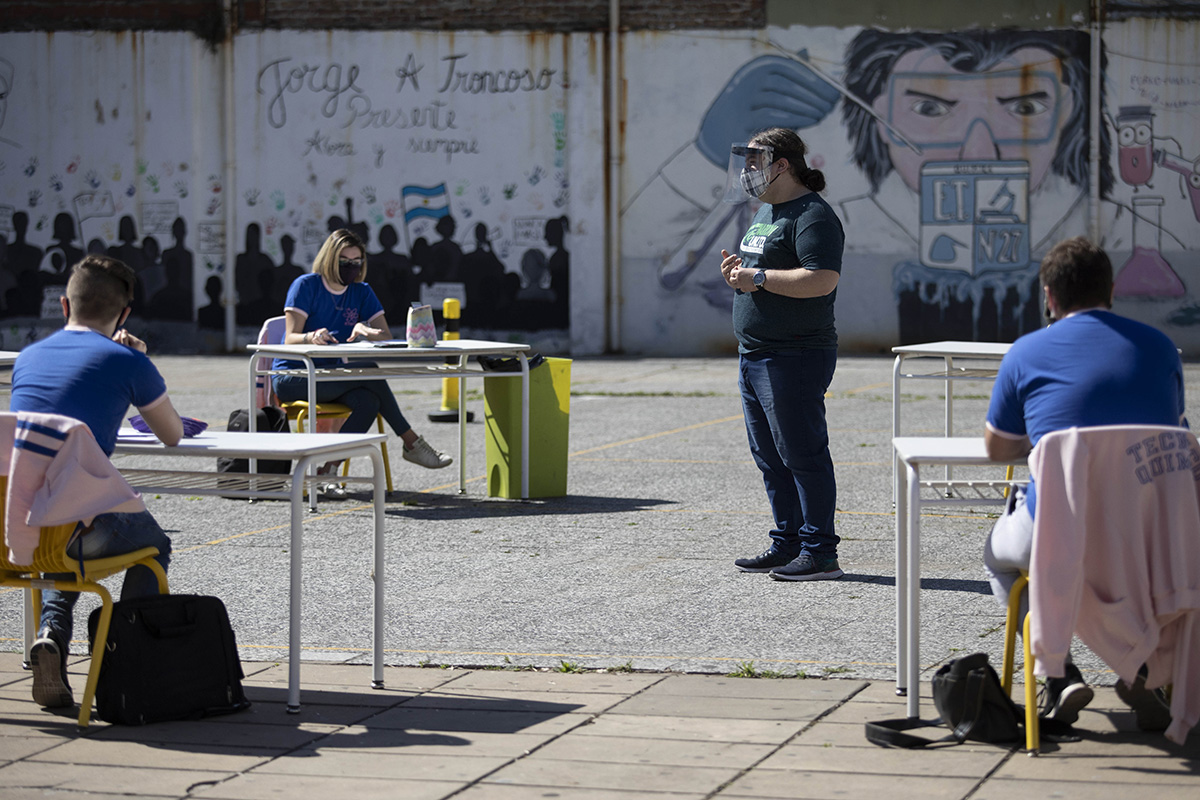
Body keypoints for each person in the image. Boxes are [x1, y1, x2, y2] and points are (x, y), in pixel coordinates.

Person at [983, 235, 1186, 726]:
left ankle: (1059, 675)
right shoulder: (1161, 348)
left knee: (999, 558)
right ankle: (1144, 670)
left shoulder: (1026, 352)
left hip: (1058, 528)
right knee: (1124, 567)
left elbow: (997, 448)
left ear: (1049, 296)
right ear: (1111, 290)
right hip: (1146, 534)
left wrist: (1048, 442)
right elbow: (1173, 435)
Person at [9, 254, 183, 709]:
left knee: (61, 524)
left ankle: (52, 635)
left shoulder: (27, 359)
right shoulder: (127, 361)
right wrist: (137, 361)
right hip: (74, 525)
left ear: (65, 306)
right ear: (124, 315)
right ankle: (121, 656)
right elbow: (172, 435)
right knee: (155, 546)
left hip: (20, 526)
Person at [721, 128, 845, 582]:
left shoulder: (812, 215)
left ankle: (820, 552)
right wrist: (740, 273)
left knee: (802, 455)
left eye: (754, 161)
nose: (747, 171)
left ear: (782, 165)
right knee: (771, 457)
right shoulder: (767, 211)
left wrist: (757, 278)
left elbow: (821, 279)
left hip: (795, 354)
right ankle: (788, 542)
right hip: (755, 353)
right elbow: (765, 270)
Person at [270, 228, 451, 470]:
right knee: (369, 370)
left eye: (356, 261)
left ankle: (329, 470)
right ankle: (412, 443)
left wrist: (364, 329)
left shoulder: (361, 291)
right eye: (344, 261)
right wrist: (312, 336)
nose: (351, 267)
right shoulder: (305, 285)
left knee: (369, 401)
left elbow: (385, 336)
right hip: (294, 376)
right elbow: (290, 339)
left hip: (330, 376)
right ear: (329, 259)